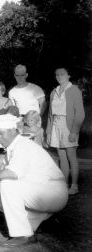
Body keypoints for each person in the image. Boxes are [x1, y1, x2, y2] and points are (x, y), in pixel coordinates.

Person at [0, 114, 68, 247]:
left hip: (54, 194)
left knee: (7, 185)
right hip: (42, 192)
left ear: (13, 131)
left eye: (1, 133)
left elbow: (12, 174)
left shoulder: (22, 145)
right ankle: (28, 231)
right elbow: (13, 183)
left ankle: (21, 235)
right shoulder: (13, 148)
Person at [46, 67, 85, 195]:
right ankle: (64, 184)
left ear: (69, 75)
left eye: (62, 74)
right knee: (61, 157)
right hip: (56, 124)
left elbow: (79, 113)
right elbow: (50, 115)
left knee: (71, 156)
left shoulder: (74, 90)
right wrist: (49, 131)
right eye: (57, 74)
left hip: (68, 125)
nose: (59, 76)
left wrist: (74, 131)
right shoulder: (54, 92)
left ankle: (74, 186)